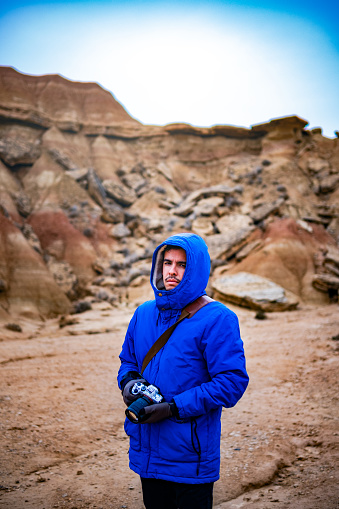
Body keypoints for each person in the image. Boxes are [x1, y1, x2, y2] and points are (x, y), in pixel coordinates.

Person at [117, 233, 249, 509]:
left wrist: (173, 408)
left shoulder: (217, 318)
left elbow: (232, 382)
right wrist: (128, 383)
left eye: (182, 265)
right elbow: (127, 362)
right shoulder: (143, 313)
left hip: (190, 458)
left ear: (196, 270)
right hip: (148, 451)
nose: (172, 271)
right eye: (167, 263)